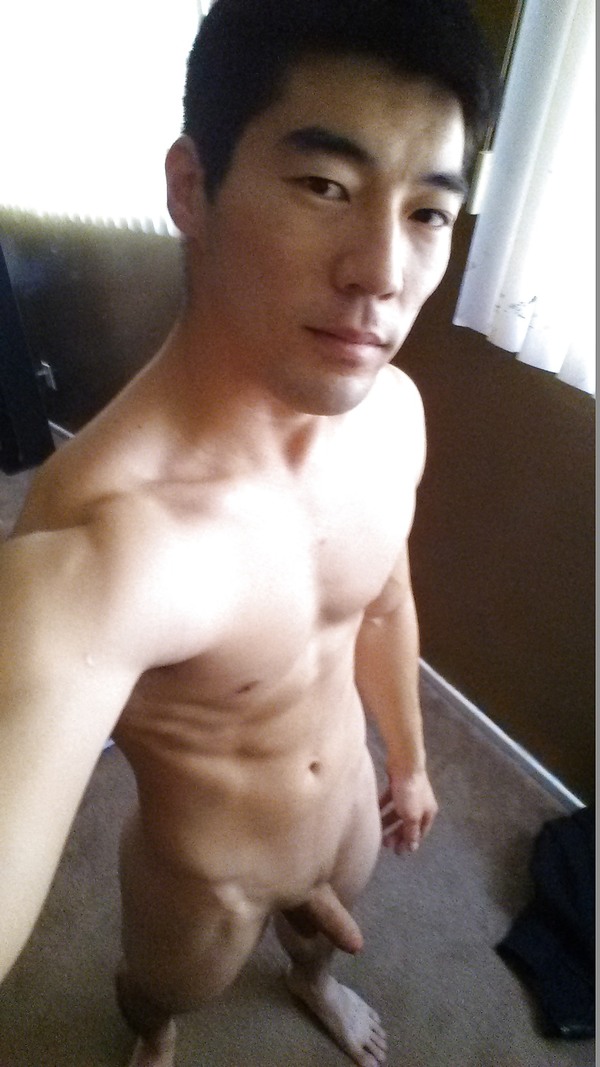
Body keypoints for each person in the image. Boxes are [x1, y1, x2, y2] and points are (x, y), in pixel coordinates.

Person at [0, 2, 496, 1064]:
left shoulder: (395, 415)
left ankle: (313, 982)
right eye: (326, 185)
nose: (382, 271)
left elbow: (386, 602)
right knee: (154, 992)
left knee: (323, 948)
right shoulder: (99, 546)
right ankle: (155, 1033)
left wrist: (411, 761)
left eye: (427, 212)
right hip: (203, 879)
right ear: (191, 188)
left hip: (349, 813)